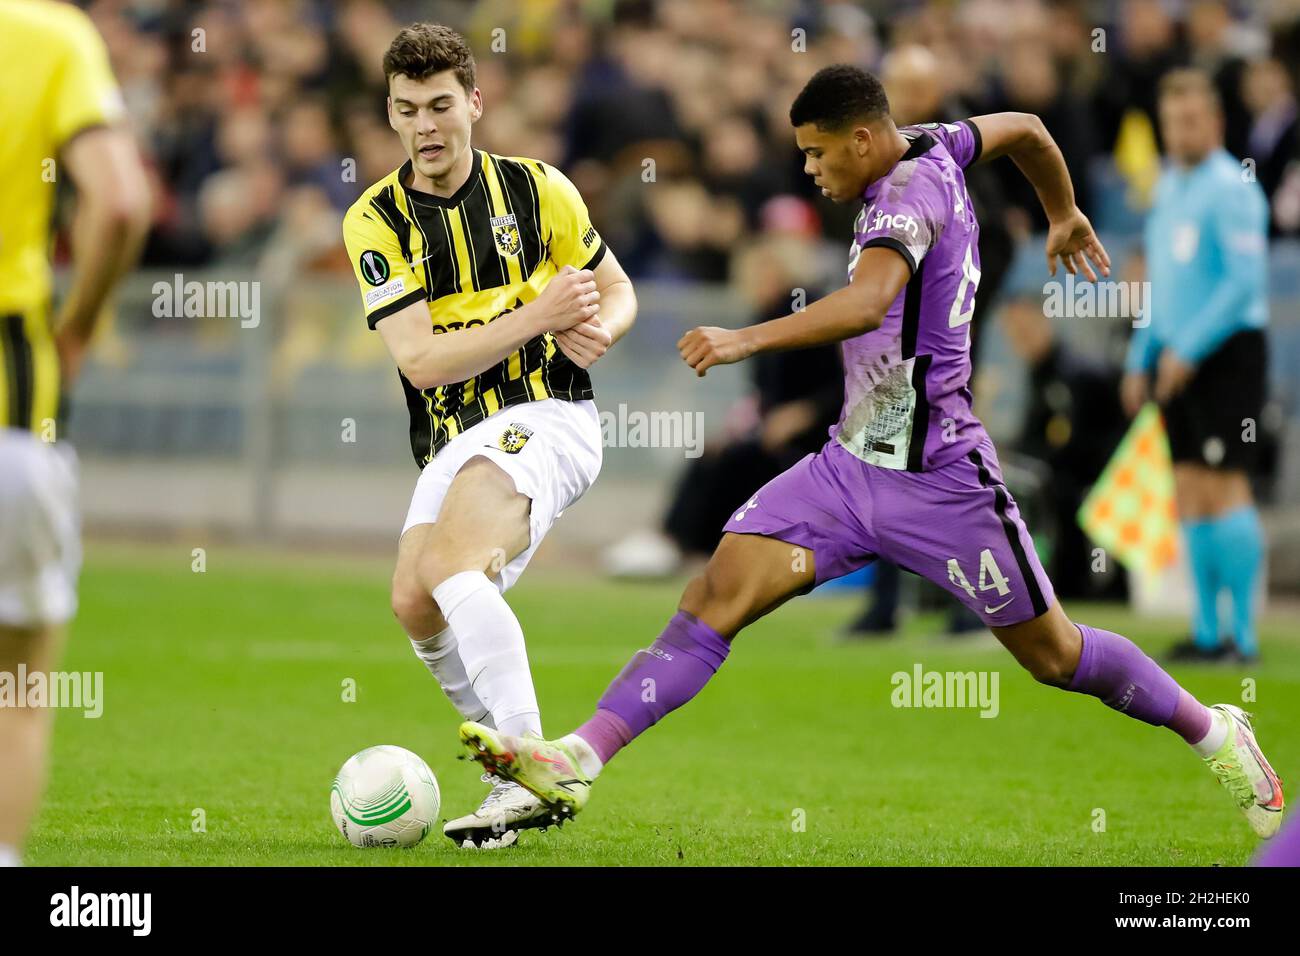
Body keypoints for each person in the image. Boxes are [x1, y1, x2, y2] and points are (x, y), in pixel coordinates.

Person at [458, 65, 1284, 846]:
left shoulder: (906, 193)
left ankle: (1214, 729)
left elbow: (869, 302)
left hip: (944, 480)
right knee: (714, 594)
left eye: (816, 151)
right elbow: (1029, 130)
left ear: (860, 140)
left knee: (1056, 656)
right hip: (849, 469)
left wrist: (744, 337)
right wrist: (1063, 211)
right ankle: (579, 758)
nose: (809, 169)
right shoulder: (941, 141)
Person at [340, 23, 638, 848]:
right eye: (407, 110)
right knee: (413, 601)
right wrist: (537, 314)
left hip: (547, 412)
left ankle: (530, 762)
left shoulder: (540, 189)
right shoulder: (375, 221)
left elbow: (616, 289)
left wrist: (602, 328)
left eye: (441, 105)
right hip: (452, 435)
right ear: (391, 116)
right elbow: (422, 361)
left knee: (450, 566)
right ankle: (509, 772)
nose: (426, 126)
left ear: (475, 101)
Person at [0, 0, 151, 867]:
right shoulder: (50, 37)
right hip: (12, 399)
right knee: (18, 682)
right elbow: (123, 203)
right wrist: (82, 325)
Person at [1122, 69, 1270, 664]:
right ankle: (1207, 631)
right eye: (1171, 121)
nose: (1180, 131)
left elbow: (1243, 284)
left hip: (1228, 354)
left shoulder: (1233, 188)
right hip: (1175, 359)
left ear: (1215, 122)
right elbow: (1160, 285)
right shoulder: (1168, 190)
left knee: (1225, 484)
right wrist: (1141, 356)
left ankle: (1245, 636)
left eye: (1191, 119)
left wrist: (1188, 349)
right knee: (1187, 488)